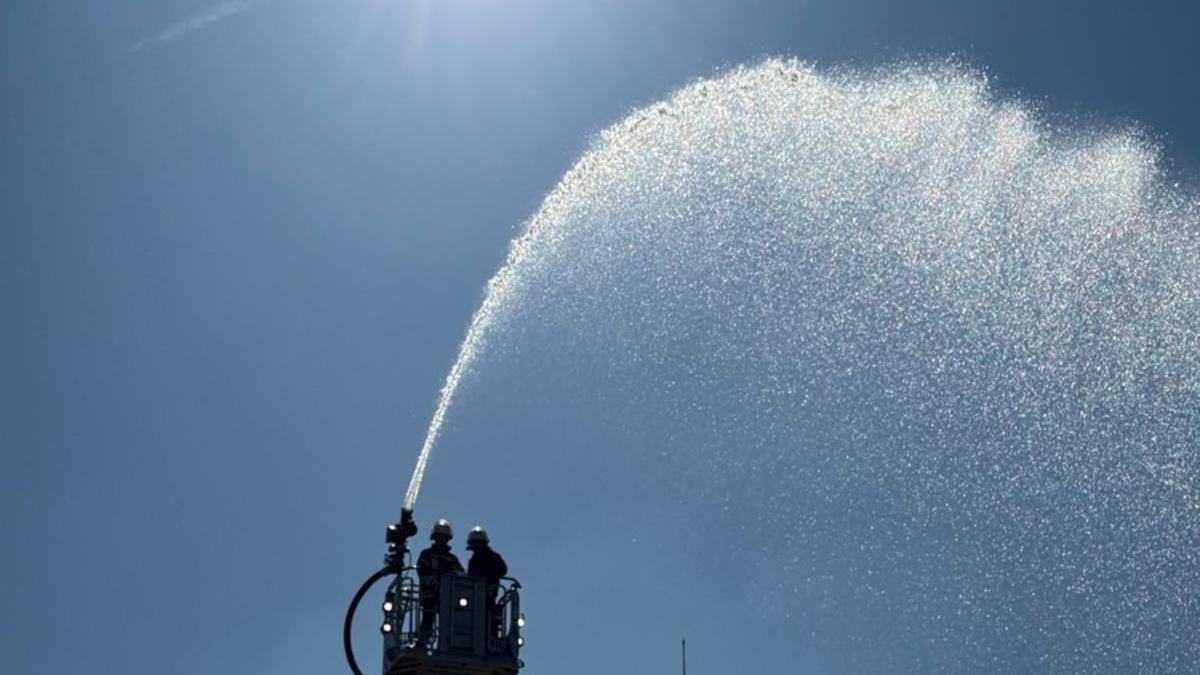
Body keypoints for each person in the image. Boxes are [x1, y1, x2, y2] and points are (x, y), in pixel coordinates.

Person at [416, 519, 463, 645]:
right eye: (439, 536)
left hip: (448, 596)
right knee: (428, 615)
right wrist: (431, 580)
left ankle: (450, 643)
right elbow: (422, 570)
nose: (441, 539)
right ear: (434, 537)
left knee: (449, 619)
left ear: (448, 539)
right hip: (429, 593)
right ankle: (423, 641)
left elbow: (462, 574)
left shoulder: (453, 559)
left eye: (444, 537)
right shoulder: (426, 554)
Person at [466, 526, 508, 640]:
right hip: (474, 594)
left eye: (478, 543)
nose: (476, 546)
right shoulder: (473, 561)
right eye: (474, 544)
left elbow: (503, 569)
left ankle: (491, 638)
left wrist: (489, 575)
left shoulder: (494, 557)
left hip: (489, 592)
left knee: (490, 615)